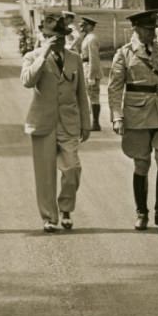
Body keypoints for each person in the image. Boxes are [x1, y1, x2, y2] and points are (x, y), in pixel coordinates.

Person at [108, 9, 158, 232]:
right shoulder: (124, 54)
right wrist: (117, 116)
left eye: (152, 29)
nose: (150, 33)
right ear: (135, 29)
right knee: (141, 163)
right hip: (137, 115)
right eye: (146, 29)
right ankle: (141, 212)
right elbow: (114, 88)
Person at [21, 13, 91, 232]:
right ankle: (50, 217)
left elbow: (81, 93)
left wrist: (85, 122)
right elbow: (28, 81)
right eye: (52, 37)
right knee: (45, 175)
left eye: (61, 37)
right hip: (43, 122)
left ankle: (66, 209)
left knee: (72, 168)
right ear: (43, 36)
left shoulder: (74, 58)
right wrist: (44, 53)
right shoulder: (32, 57)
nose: (58, 41)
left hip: (68, 123)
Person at [79, 17, 103, 130]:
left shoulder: (91, 38)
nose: (82, 27)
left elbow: (94, 57)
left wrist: (92, 75)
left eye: (84, 25)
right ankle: (90, 122)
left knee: (93, 96)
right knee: (88, 95)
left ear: (90, 26)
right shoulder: (87, 37)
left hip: (90, 68)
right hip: (85, 66)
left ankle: (95, 123)